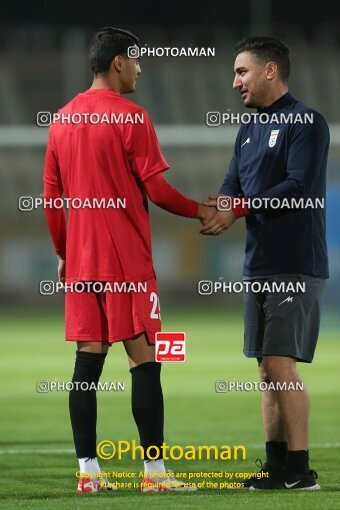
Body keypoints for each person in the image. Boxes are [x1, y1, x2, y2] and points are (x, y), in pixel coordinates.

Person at [43, 26, 215, 494]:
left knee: (86, 364)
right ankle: (154, 475)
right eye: (137, 60)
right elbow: (156, 188)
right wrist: (203, 209)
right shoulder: (131, 116)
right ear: (118, 62)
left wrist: (62, 252)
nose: (141, 68)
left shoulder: (60, 120)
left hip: (80, 262)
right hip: (125, 261)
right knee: (145, 361)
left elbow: (51, 200)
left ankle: (88, 475)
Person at [201, 36, 329, 490]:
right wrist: (216, 206)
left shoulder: (306, 121)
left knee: (279, 365)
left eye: (241, 72)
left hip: (295, 262)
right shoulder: (247, 129)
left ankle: (301, 469)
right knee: (264, 368)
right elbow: (231, 182)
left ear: (270, 70)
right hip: (258, 264)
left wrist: (237, 208)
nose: (235, 81)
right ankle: (277, 467)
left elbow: (298, 185)